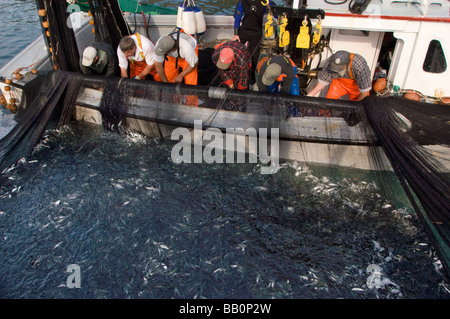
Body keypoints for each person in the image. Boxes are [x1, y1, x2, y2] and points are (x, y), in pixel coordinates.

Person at [233, 0, 276, 84]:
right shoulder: (242, 2)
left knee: (254, 55)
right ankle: (237, 73)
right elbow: (237, 17)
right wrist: (236, 34)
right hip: (244, 31)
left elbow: (276, 13)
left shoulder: (265, 2)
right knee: (238, 54)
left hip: (257, 33)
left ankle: (251, 74)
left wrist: (269, 6)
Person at [307, 50, 372, 101]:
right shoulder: (330, 61)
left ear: (346, 65)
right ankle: (324, 114)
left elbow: (365, 92)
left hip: (355, 86)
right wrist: (310, 95)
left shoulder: (360, 65)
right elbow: (323, 81)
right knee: (328, 102)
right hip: (339, 83)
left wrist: (357, 108)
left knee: (358, 105)